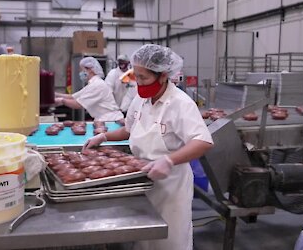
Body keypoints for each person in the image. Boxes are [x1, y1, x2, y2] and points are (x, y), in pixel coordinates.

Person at [83, 44, 213, 250]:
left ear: (163, 76)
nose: (139, 83)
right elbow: (129, 129)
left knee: (169, 240)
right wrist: (104, 136)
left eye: (144, 78)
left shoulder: (180, 103)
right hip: (142, 179)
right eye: (137, 77)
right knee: (145, 238)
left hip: (171, 186)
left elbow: (203, 141)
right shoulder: (141, 99)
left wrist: (169, 160)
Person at [55, 57, 123, 122]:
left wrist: (62, 101)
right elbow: (73, 96)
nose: (80, 73)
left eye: (82, 70)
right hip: (104, 118)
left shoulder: (97, 85)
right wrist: (55, 94)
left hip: (110, 119)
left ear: (90, 69)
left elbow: (78, 104)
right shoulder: (92, 84)